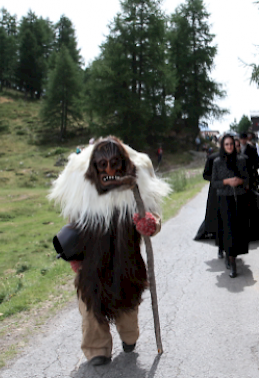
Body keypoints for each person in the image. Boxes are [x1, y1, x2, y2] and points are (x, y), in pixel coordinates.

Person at [48, 137, 171, 367]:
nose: (109, 171)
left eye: (115, 164)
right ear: (94, 167)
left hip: (127, 261)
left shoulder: (136, 189)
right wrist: (74, 257)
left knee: (128, 306)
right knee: (91, 305)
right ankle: (97, 349)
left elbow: (153, 216)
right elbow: (74, 221)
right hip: (91, 262)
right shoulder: (85, 192)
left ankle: (129, 337)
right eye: (102, 165)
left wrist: (151, 224)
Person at [211, 134, 250, 278]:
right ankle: (232, 262)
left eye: (231, 144)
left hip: (239, 198)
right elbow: (214, 183)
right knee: (228, 231)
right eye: (226, 144)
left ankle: (231, 255)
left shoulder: (241, 160)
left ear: (234, 145)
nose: (229, 147)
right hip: (224, 199)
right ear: (222, 146)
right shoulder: (217, 162)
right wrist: (227, 182)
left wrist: (239, 181)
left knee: (237, 231)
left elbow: (247, 179)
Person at [240, 132, 259, 240]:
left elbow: (257, 164)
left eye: (244, 139)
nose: (243, 141)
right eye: (241, 139)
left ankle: (256, 227)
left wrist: (249, 166)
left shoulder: (252, 149)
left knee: (254, 202)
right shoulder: (235, 148)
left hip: (251, 179)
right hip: (240, 180)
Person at [194, 144, 221, 241]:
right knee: (213, 211)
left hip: (230, 189)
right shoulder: (213, 158)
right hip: (215, 190)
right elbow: (205, 175)